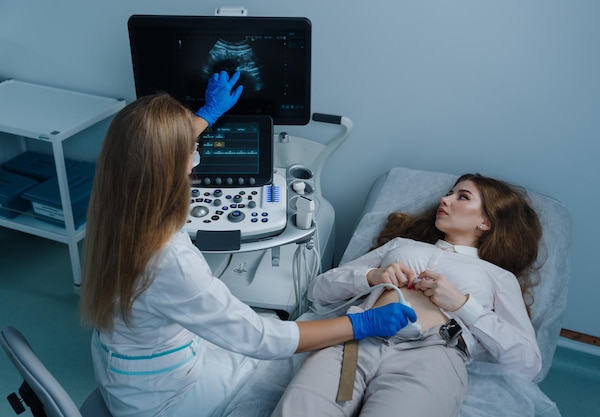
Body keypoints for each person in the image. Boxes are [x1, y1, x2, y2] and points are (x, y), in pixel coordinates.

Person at [79, 70, 416, 417]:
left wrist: (208, 114)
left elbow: (152, 149)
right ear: (167, 170)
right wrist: (361, 324)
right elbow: (260, 339)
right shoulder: (170, 260)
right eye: (191, 155)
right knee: (285, 365)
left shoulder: (114, 210)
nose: (194, 160)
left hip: (126, 373)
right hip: (163, 400)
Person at [271, 173, 543, 417]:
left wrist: (462, 304)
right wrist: (371, 277)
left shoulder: (496, 276)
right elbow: (319, 290)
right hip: (356, 340)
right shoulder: (402, 246)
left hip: (432, 355)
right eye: (450, 192)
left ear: (485, 221)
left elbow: (527, 363)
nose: (445, 199)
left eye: (462, 196)